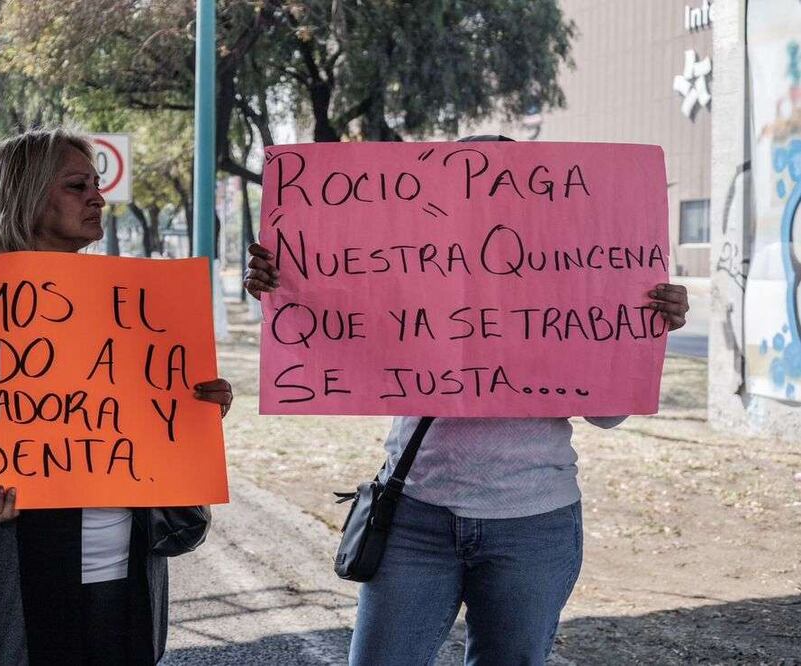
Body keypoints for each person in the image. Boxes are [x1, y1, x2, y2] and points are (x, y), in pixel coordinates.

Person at [244, 135, 690, 665]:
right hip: (414, 515)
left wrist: (640, 329)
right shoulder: (407, 271)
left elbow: (609, 413)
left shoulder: (570, 277)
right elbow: (338, 342)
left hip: (532, 524)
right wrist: (287, 289)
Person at [0, 128, 233, 666]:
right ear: (25, 197)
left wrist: (196, 408)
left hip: (120, 576)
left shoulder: (135, 305)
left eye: (97, 184)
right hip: (15, 575)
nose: (98, 198)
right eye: (77, 186)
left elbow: (149, 423)